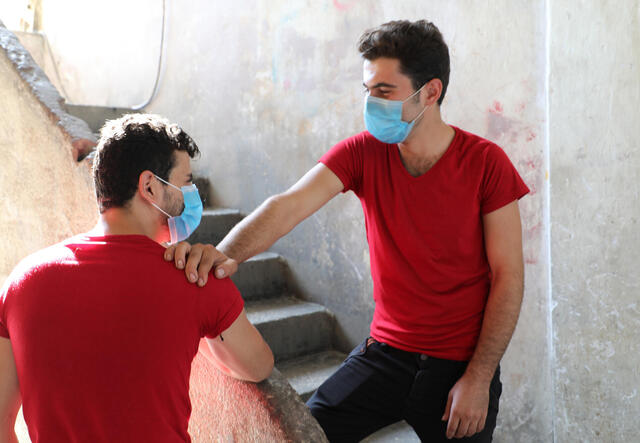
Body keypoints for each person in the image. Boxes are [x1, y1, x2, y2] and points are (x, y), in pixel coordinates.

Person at [165, 19, 529, 442]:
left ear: (431, 92)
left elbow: (509, 278)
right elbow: (288, 205)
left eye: (384, 92)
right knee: (302, 434)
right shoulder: (364, 153)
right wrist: (224, 255)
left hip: (461, 366)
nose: (371, 103)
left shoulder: (487, 164)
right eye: (368, 90)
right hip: (385, 356)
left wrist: (479, 377)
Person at [0, 114, 273, 443]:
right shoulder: (196, 278)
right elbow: (258, 366)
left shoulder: (22, 281)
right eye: (186, 181)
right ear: (149, 186)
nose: (192, 193)